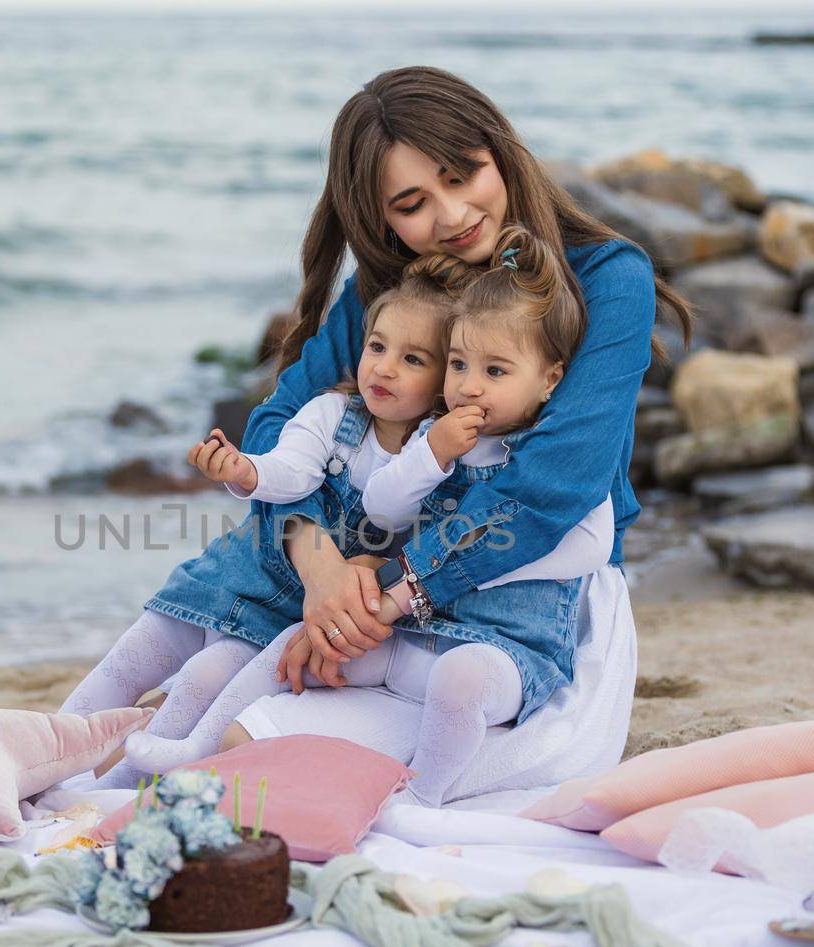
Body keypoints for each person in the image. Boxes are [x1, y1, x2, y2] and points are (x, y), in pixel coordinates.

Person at [240, 65, 688, 704]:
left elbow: (550, 488)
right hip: (360, 587)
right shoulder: (387, 300)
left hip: (525, 595)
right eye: (411, 204)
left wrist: (385, 586)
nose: (453, 215)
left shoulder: (607, 281)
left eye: (462, 176)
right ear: (379, 219)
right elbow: (275, 427)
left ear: (500, 155)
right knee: (206, 687)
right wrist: (322, 571)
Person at [126, 226, 616, 805]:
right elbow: (383, 506)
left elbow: (584, 547)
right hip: (415, 634)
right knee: (299, 640)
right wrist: (431, 457)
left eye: (496, 372)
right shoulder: (435, 439)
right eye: (458, 366)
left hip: (502, 644)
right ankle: (197, 744)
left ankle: (425, 797)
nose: (469, 388)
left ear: (550, 379)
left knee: (459, 683)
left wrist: (408, 583)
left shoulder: (546, 454)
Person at [58, 256, 468, 788]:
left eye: (412, 359)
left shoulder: (442, 450)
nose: (384, 367)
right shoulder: (329, 414)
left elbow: (430, 535)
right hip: (239, 572)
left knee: (202, 684)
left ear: (443, 381)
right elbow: (289, 470)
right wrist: (245, 471)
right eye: (377, 347)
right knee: (130, 661)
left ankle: (112, 796)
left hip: (280, 614)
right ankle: (39, 756)